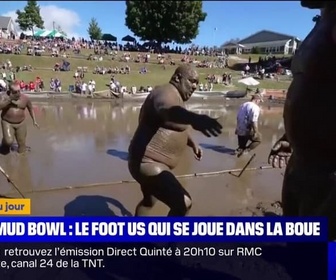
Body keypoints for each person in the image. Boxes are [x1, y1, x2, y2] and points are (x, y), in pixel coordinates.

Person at [268, 2, 336, 240]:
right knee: (296, 248)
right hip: (302, 160)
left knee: (318, 257)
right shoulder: (324, 21)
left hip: (328, 172)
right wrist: (293, 134)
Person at [128, 65, 223, 216]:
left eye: (197, 83)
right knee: (183, 202)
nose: (194, 86)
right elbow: (167, 111)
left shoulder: (178, 98)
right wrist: (195, 118)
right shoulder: (165, 92)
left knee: (149, 202)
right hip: (148, 163)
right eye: (192, 81)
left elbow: (176, 126)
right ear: (177, 78)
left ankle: (138, 234)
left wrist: (193, 144)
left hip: (147, 162)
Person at [0, 82, 39, 154]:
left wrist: (34, 120)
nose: (18, 93)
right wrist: (9, 100)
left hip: (21, 123)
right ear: (10, 91)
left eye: (19, 91)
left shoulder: (25, 98)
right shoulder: (4, 97)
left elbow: (30, 109)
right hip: (7, 122)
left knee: (22, 145)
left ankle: (22, 160)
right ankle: (5, 142)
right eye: (15, 92)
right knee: (8, 142)